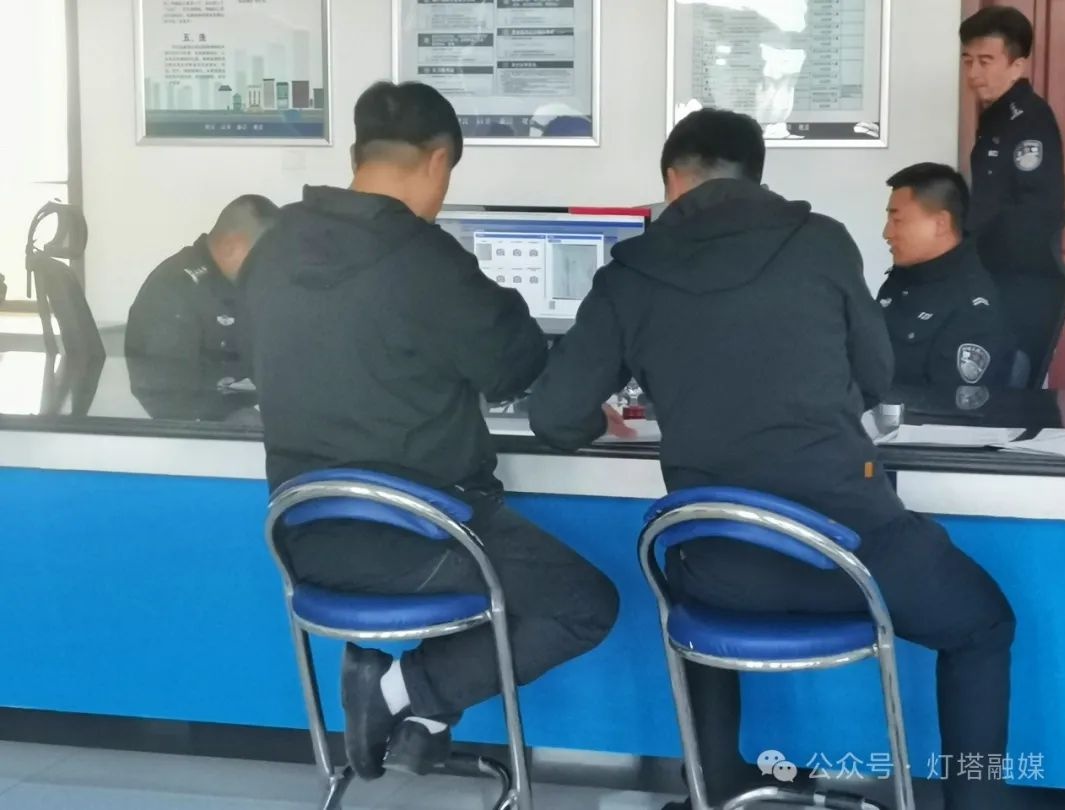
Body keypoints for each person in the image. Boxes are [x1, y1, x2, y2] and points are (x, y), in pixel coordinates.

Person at [527, 108, 1015, 810]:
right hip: (854, 555)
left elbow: (552, 416)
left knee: (691, 576)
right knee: (983, 624)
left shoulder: (631, 273)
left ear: (673, 180)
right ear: (757, 177)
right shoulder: (821, 243)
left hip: (720, 570)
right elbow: (875, 375)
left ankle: (712, 787)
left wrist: (602, 414)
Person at [240, 81, 618, 780]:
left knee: (506, 577)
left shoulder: (272, 249)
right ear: (440, 159)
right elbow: (515, 365)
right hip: (423, 538)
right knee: (583, 604)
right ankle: (400, 692)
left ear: (359, 152)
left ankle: (426, 720)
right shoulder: (423, 258)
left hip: (303, 539)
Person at [961, 5, 1065, 382]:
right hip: (997, 274)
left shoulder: (1028, 120)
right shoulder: (996, 117)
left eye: (985, 61)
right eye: (968, 60)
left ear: (1017, 65)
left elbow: (1035, 211)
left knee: (1011, 386)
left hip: (1023, 281)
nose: (973, 73)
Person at [878, 162, 1016, 388]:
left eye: (898, 220)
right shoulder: (903, 278)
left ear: (940, 224)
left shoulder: (972, 307)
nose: (887, 233)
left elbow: (951, 404)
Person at [124, 195, 279, 380]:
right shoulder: (174, 291)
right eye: (262, 253)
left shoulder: (235, 282)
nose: (269, 263)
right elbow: (169, 387)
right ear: (229, 247)